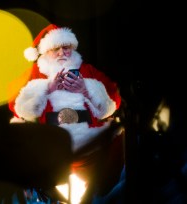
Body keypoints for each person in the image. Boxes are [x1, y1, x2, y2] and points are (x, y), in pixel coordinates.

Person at [9, 24, 125, 203]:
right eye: (56, 49)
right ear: (46, 52)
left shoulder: (87, 71)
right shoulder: (34, 74)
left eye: (66, 48)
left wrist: (86, 90)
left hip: (89, 140)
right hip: (50, 141)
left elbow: (113, 102)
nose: (62, 53)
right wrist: (47, 89)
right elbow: (18, 106)